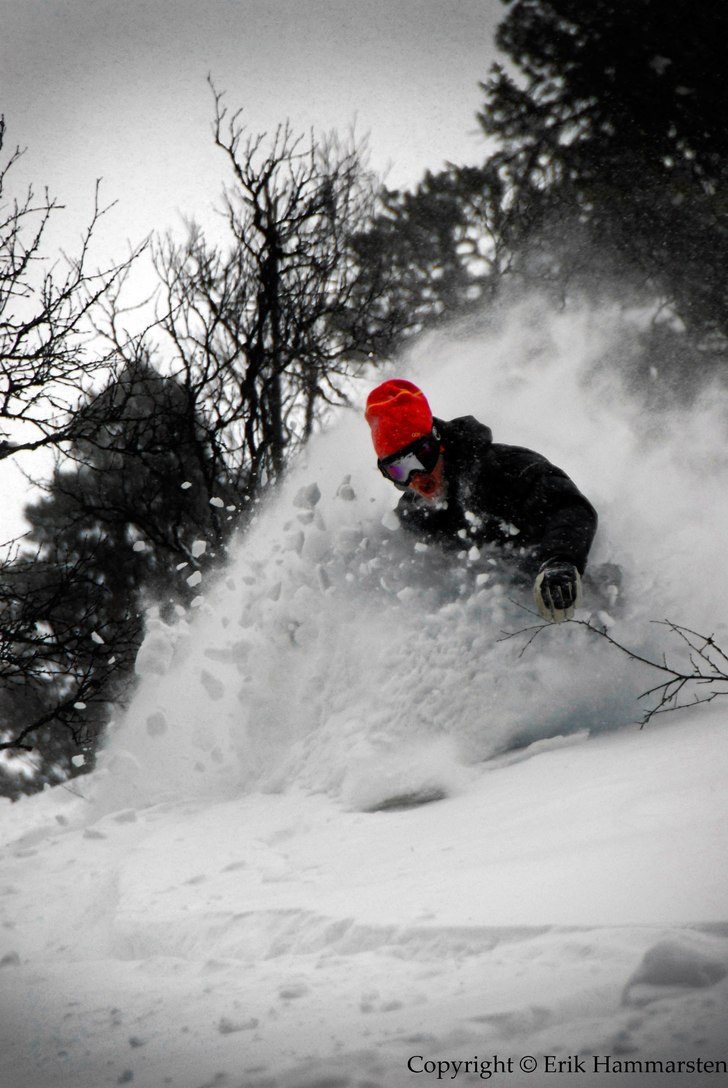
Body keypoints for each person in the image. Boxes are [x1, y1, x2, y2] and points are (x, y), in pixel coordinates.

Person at [364, 378, 598, 623]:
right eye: (398, 471)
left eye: (421, 458)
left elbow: (569, 508)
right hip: (497, 632)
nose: (416, 478)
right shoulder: (413, 518)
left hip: (568, 609)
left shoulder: (505, 469)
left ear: (437, 443)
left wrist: (559, 560)